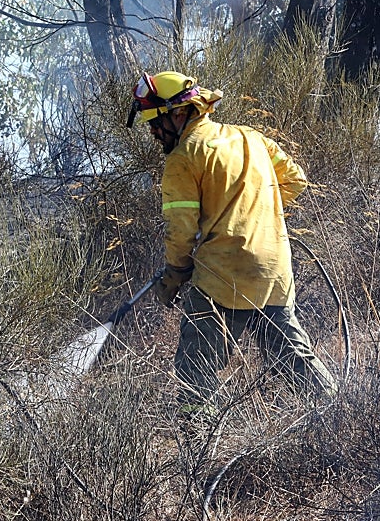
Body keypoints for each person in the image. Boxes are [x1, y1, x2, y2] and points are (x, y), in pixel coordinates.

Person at [127, 71, 337, 421]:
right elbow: (296, 180)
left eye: (153, 120)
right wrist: (254, 213)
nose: (151, 131)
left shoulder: (183, 158)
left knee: (197, 374)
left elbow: (181, 232)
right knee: (293, 359)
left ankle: (199, 454)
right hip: (274, 272)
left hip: (222, 279)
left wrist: (175, 274)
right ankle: (342, 414)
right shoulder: (250, 138)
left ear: (180, 113)